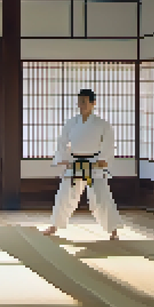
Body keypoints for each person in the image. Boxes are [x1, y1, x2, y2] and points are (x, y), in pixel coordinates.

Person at [43, 89, 124, 241]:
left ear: (93, 103)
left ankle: (113, 230)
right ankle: (54, 225)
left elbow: (108, 144)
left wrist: (103, 159)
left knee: (101, 196)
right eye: (79, 102)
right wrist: (63, 158)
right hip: (74, 162)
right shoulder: (72, 122)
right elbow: (62, 141)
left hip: (94, 164)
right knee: (64, 195)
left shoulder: (102, 125)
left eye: (84, 102)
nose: (81, 105)